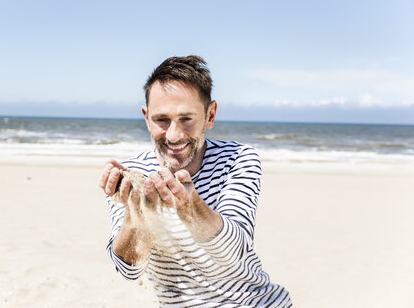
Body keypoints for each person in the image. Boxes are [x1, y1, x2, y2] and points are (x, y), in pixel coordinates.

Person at [99, 55, 292, 307]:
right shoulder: (132, 174)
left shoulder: (238, 159)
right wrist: (136, 213)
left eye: (186, 119)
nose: (174, 135)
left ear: (210, 115)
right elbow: (129, 271)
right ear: (146, 117)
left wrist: (190, 207)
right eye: (162, 120)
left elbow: (234, 255)